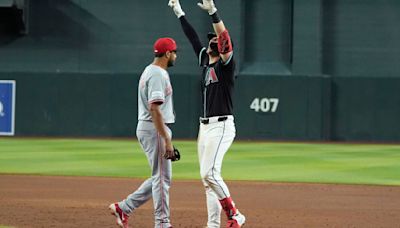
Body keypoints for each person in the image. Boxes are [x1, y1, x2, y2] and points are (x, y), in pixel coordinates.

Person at [168, 0, 246, 227]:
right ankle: (213, 224)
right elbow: (192, 37)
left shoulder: (226, 65)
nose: (213, 39)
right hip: (204, 127)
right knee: (207, 180)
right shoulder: (205, 60)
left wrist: (213, 12)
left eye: (216, 38)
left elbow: (224, 39)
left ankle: (235, 215)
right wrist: (179, 12)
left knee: (209, 173)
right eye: (210, 37)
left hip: (221, 125)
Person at [109, 37, 178, 228]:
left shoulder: (151, 70)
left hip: (151, 128)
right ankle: (162, 224)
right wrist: (166, 138)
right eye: (174, 52)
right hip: (153, 128)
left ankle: (124, 207)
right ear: (167, 54)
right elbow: (155, 109)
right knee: (162, 178)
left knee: (161, 176)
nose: (175, 56)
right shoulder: (157, 74)